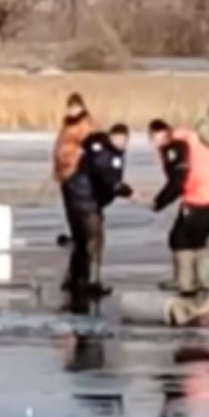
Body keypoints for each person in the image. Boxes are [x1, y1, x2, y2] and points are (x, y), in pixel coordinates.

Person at [147, 119, 209, 298]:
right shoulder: (187, 142)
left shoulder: (174, 147)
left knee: (180, 238)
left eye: (157, 136)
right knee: (197, 238)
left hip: (203, 196)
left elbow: (178, 181)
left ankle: (186, 283)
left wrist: (159, 202)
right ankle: (202, 280)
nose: (156, 140)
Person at [60, 123, 133, 310]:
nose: (122, 143)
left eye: (125, 140)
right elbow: (104, 173)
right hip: (85, 200)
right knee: (94, 240)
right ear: (112, 137)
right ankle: (91, 282)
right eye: (119, 139)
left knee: (82, 240)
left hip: (76, 196)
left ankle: (74, 279)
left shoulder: (100, 148)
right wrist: (118, 188)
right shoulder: (104, 153)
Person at [52, 92, 98, 245]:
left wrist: (79, 159)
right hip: (64, 169)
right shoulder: (68, 124)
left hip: (76, 169)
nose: (72, 110)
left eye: (75, 107)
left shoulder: (85, 124)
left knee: (78, 205)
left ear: (81, 107)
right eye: (70, 107)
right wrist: (57, 167)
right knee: (70, 206)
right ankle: (76, 234)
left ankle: (83, 235)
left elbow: (89, 146)